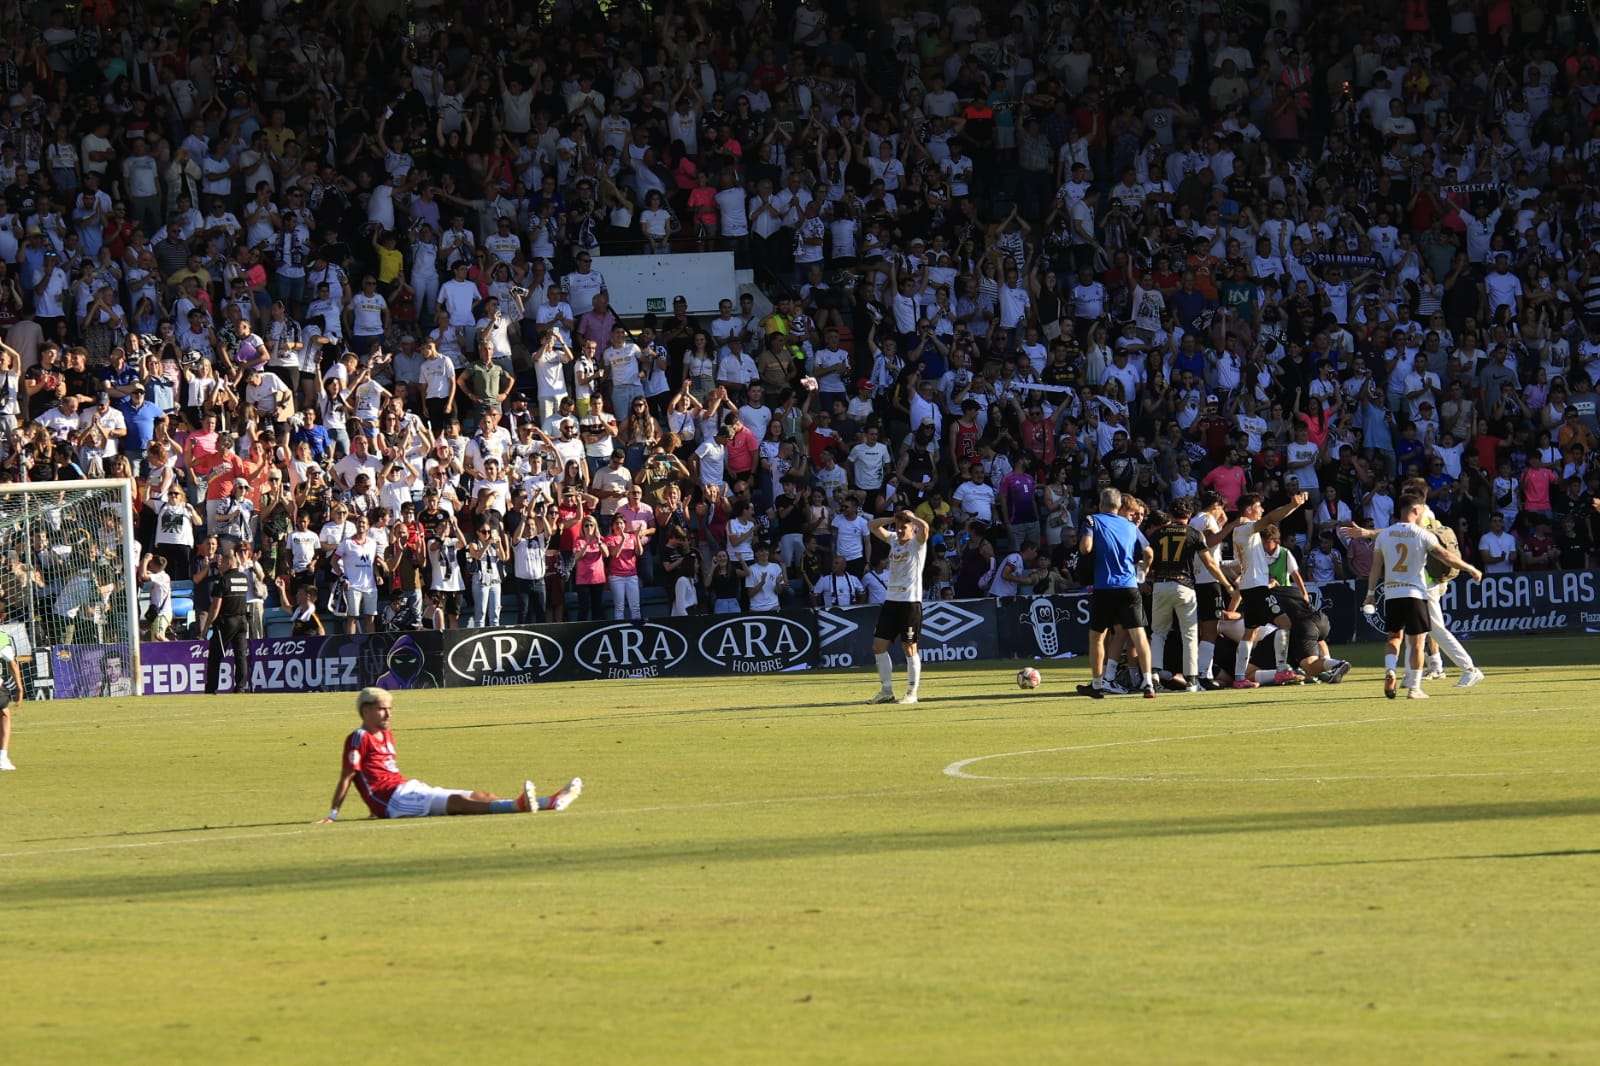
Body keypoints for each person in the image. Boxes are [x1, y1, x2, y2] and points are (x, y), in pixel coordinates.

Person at [316, 687, 582, 823]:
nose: (389, 714)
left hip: (406, 788)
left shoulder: (387, 734)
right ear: (365, 711)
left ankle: (550, 802)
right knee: (457, 803)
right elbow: (348, 777)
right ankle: (520, 805)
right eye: (383, 709)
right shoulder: (358, 737)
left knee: (480, 795)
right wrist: (333, 814)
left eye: (390, 708)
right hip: (394, 801)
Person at [1365, 495, 1482, 700]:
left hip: (1392, 593)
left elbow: (1375, 567)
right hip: (1416, 593)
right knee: (1418, 641)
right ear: (1417, 510)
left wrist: (1370, 594)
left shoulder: (1385, 535)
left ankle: (1391, 670)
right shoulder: (1422, 534)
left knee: (1394, 637)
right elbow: (1445, 556)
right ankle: (1415, 688)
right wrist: (1469, 568)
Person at [1077, 488, 1157, 699]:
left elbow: (1086, 548)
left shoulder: (1092, 520)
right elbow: (1148, 552)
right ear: (1119, 506)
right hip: (1130, 586)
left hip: (1105, 587)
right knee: (1138, 634)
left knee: (1097, 636)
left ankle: (1097, 684)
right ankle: (1148, 683)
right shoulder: (1130, 526)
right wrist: (1143, 572)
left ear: (1100, 504)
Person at [1146, 498, 1232, 692]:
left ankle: (1153, 677)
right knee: (1190, 635)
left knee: (1158, 632)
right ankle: (1192, 681)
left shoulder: (1158, 533)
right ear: (1189, 516)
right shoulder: (1194, 533)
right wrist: (1227, 585)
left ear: (1169, 515)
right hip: (1184, 585)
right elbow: (1209, 563)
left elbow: (1147, 557)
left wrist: (1146, 576)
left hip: (1160, 585)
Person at [1228, 491, 1310, 690]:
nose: (1262, 509)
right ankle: (1282, 669)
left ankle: (1239, 677)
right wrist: (1292, 506)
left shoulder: (1241, 533)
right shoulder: (1246, 528)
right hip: (1257, 588)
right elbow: (1271, 518)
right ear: (1249, 510)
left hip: (1250, 587)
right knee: (1285, 623)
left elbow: (1238, 564)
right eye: (1258, 506)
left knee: (1251, 633)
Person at [865, 509, 930, 705]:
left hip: (910, 602)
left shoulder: (917, 543)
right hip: (891, 601)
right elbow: (872, 526)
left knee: (909, 648)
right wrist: (893, 518)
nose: (900, 530)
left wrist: (912, 518)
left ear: (912, 528)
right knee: (878, 646)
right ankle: (886, 691)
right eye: (898, 527)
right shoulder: (893, 539)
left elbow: (925, 527)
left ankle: (912, 693)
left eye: (904, 527)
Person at [202, 544, 251, 696]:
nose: (220, 566)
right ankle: (240, 687)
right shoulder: (244, 579)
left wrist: (206, 628)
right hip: (242, 621)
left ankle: (211, 688)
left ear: (229, 563)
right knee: (240, 655)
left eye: (222, 562)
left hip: (227, 622)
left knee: (216, 655)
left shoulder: (223, 581)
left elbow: (215, 608)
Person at [0, 627, 22, 770]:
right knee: (4, 713)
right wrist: (20, 688)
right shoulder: (2, 636)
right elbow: (12, 663)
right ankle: (2, 758)